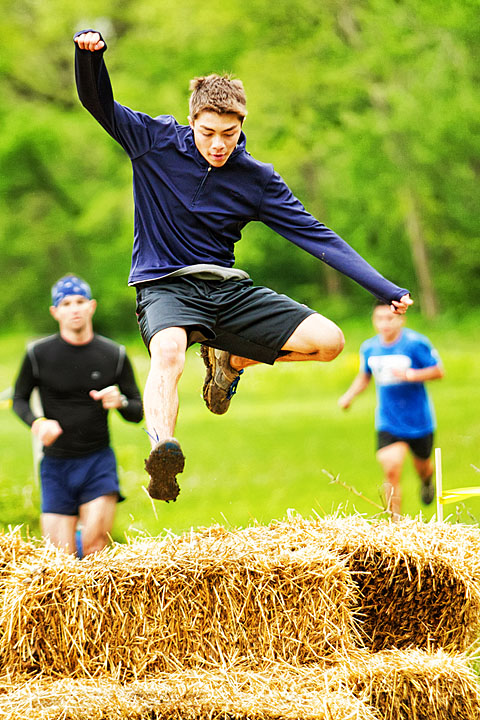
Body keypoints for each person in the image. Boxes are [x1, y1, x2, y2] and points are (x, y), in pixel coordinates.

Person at [73, 30, 413, 503]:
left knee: (330, 342)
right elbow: (97, 101)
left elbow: (315, 236)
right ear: (193, 120)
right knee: (168, 352)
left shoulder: (257, 180)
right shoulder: (153, 141)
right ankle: (162, 453)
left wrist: (383, 288)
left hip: (227, 291)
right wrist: (89, 57)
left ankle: (232, 362)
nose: (218, 144)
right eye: (208, 132)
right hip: (164, 285)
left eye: (229, 134)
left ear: (242, 124)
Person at [12, 275, 143, 556]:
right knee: (61, 558)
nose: (74, 308)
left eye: (80, 301)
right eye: (66, 303)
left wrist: (118, 401)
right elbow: (19, 399)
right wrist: (37, 423)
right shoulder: (38, 354)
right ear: (55, 311)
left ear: (91, 306)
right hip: (56, 466)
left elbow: (138, 411)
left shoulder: (114, 354)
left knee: (96, 548)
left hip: (97, 462)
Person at [338, 302, 444, 517]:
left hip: (419, 421)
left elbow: (438, 371)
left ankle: (426, 482)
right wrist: (349, 396)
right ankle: (395, 526)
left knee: (423, 467)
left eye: (390, 318)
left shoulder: (415, 343)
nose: (384, 324)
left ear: (401, 319)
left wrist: (411, 375)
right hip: (388, 420)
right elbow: (365, 375)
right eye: (379, 319)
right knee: (391, 469)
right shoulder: (370, 347)